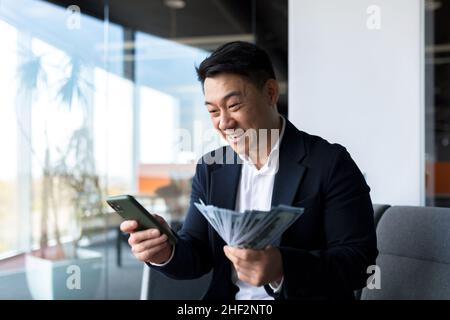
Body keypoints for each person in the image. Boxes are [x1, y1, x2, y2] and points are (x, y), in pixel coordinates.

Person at [120, 41, 378, 300]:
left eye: (233, 106)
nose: (223, 122)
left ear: (270, 93)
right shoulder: (211, 168)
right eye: (212, 111)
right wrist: (167, 251)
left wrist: (283, 267)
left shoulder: (330, 163)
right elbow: (198, 255)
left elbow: (360, 264)